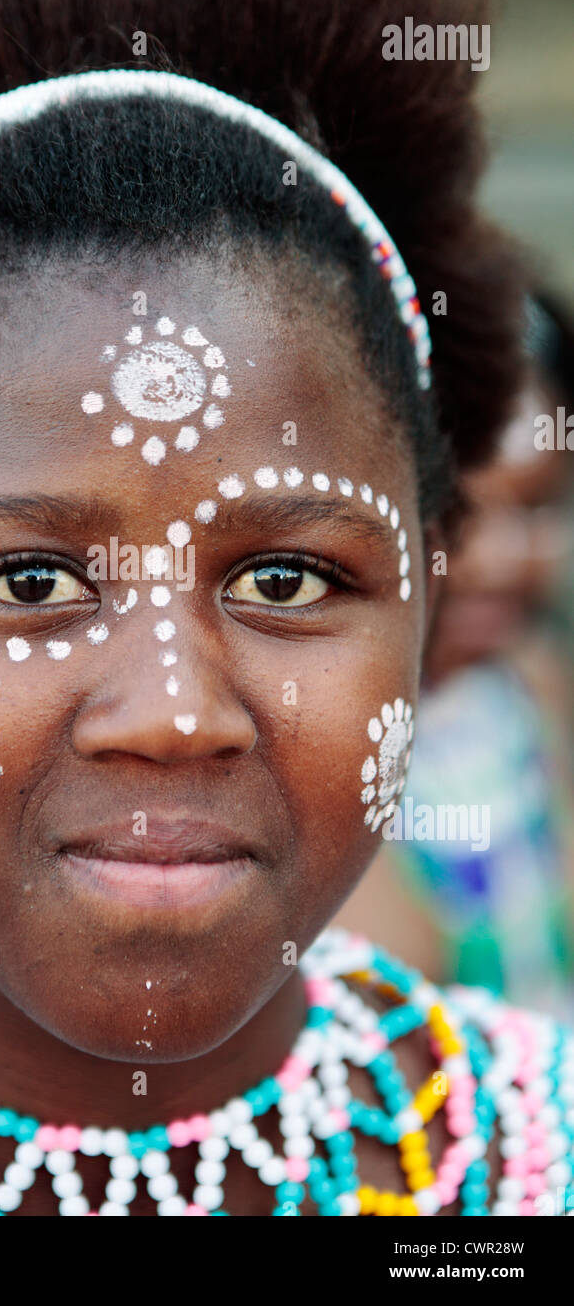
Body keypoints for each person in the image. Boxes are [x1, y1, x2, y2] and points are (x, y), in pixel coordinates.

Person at [0, 0, 570, 1218]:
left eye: (284, 579)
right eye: (27, 581)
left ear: (427, 602)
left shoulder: (532, 1156)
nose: (172, 712)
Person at [336, 297, 574, 1019]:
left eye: (539, 508)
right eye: (460, 514)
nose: (501, 560)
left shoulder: (532, 690)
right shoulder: (327, 744)